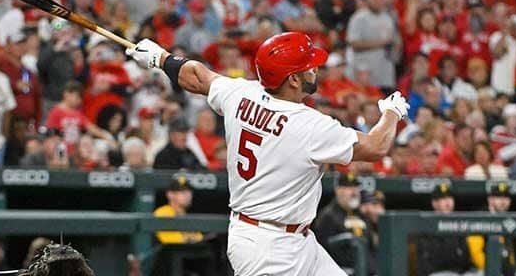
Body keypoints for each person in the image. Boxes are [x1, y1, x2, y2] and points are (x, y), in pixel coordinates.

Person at [126, 32, 408, 275]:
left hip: (295, 240)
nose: (315, 69)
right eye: (308, 66)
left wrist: (161, 58)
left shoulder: (241, 93)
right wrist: (392, 113)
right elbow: (376, 147)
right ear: (293, 80)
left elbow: (197, 78)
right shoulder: (309, 125)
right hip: (266, 247)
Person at [313, 173, 376, 275]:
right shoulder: (328, 216)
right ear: (338, 190)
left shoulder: (362, 215)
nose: (354, 192)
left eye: (356, 187)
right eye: (348, 187)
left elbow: (372, 247)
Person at [415, 184, 475, 276]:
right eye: (443, 199)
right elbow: (426, 263)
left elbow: (466, 259)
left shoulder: (460, 225)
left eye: (450, 198)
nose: (448, 202)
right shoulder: (426, 226)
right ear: (434, 203)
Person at [154, 175, 204, 245]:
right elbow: (172, 242)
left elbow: (200, 239)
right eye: (182, 191)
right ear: (170, 194)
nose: (187, 194)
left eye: (189, 191)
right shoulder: (163, 213)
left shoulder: (186, 216)